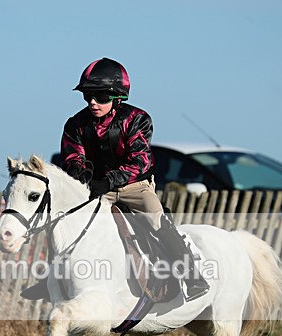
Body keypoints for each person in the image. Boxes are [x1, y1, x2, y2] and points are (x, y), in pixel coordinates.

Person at [59, 57, 209, 301]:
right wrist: (81, 173)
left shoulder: (137, 119)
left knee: (157, 222)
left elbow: (141, 162)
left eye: (101, 97)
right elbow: (73, 156)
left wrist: (109, 180)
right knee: (67, 221)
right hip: (97, 188)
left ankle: (192, 277)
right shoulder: (75, 124)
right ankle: (52, 281)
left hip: (134, 187)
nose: (93, 103)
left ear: (117, 97)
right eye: (88, 97)